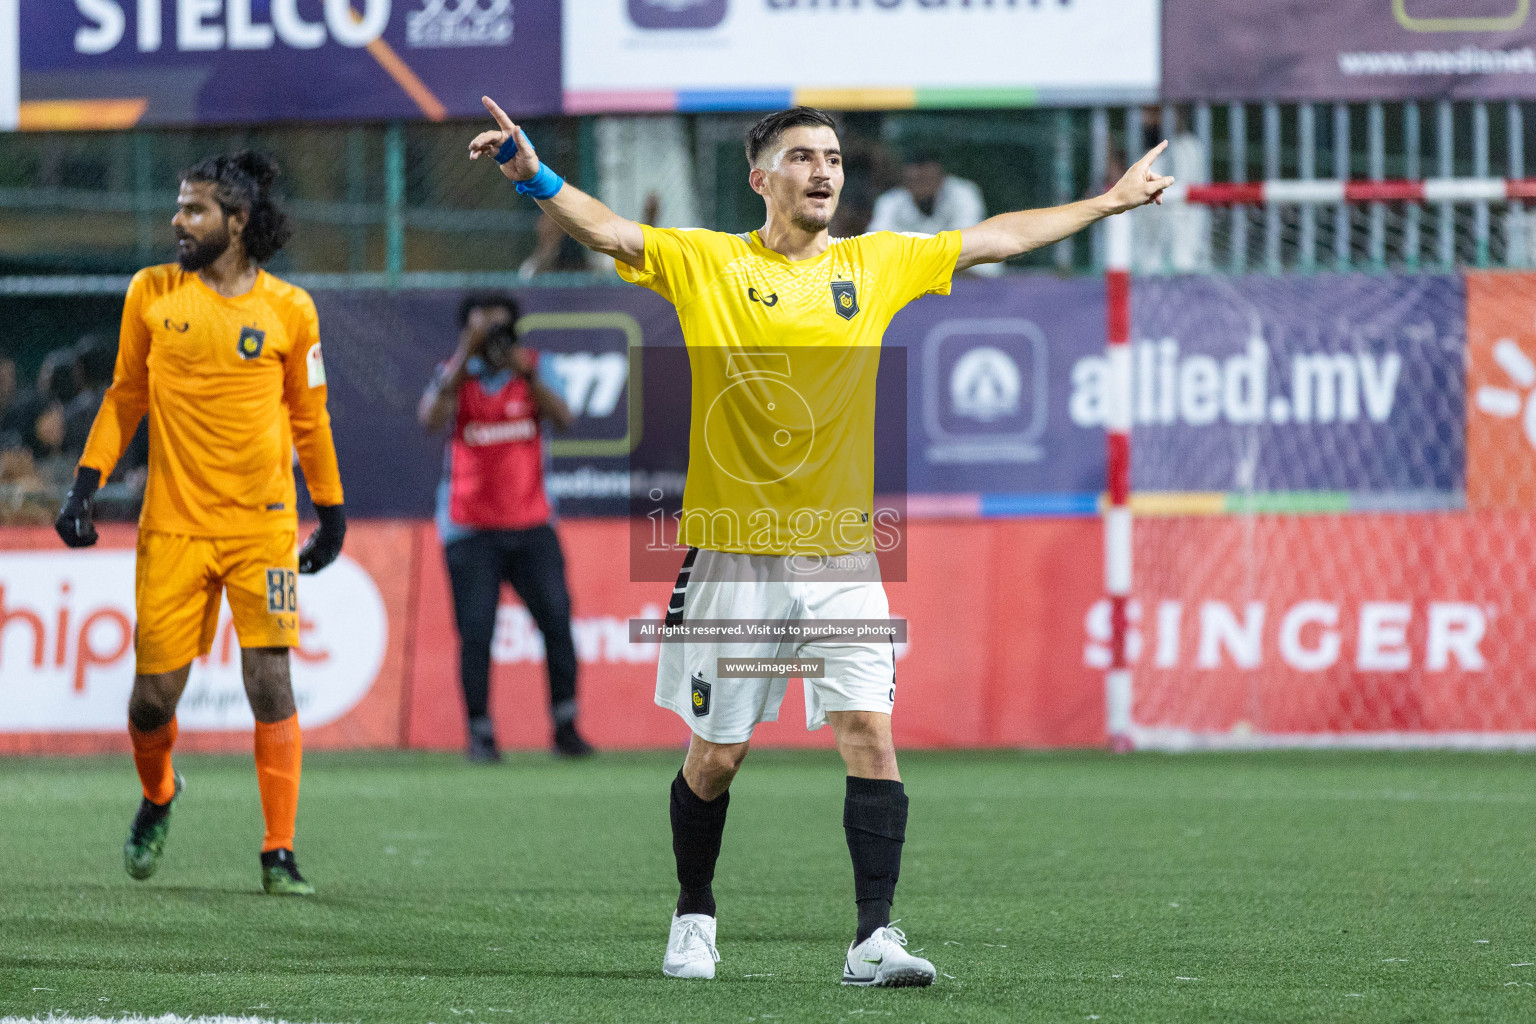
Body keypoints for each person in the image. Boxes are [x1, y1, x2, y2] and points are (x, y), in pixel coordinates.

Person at [468, 97, 1171, 986]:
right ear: (761, 178)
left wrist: (1108, 203)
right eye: (803, 156)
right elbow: (607, 228)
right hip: (734, 554)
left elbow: (997, 237)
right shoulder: (709, 261)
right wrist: (531, 173)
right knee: (718, 756)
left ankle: (873, 937)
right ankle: (693, 913)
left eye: (833, 156)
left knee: (869, 734)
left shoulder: (877, 264)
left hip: (843, 555)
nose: (825, 170)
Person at [54, 151, 347, 897]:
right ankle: (158, 795)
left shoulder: (290, 309)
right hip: (173, 528)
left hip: (263, 530)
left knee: (271, 682)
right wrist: (84, 487)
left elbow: (310, 421)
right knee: (153, 698)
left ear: (237, 221)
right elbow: (124, 397)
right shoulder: (151, 292)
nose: (176, 221)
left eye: (193, 210)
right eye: (179, 208)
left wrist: (333, 513)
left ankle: (278, 852)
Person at [417, 292, 594, 761]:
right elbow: (429, 420)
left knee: (557, 623)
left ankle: (565, 726)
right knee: (475, 633)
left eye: (498, 330)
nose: (490, 341)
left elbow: (566, 418)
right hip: (469, 528)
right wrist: (463, 358)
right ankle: (480, 733)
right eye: (480, 331)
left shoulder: (535, 367)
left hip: (532, 523)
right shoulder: (454, 375)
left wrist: (527, 373)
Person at [868, 151, 1002, 276]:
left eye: (926, 178)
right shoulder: (890, 201)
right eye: (916, 180)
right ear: (906, 181)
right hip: (908, 274)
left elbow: (965, 240)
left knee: (986, 266)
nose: (922, 184)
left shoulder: (963, 192)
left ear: (941, 177)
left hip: (953, 267)